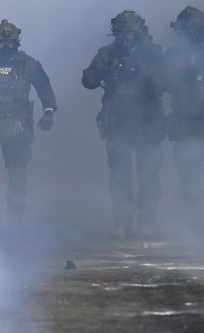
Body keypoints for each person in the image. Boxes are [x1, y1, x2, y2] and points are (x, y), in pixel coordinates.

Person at [82, 10, 165, 239]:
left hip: (147, 122)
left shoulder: (153, 53)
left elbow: (167, 82)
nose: (127, 38)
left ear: (139, 33)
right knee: (119, 176)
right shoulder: (107, 54)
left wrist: (146, 73)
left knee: (149, 174)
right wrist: (109, 71)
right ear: (115, 34)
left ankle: (147, 221)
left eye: (131, 33)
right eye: (122, 33)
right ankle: (122, 221)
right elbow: (88, 80)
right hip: (118, 123)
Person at [0, 19, 57, 224]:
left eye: (10, 41)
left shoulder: (29, 64)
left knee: (18, 171)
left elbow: (44, 87)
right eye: (2, 41)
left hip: (18, 123)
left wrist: (48, 112)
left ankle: (15, 220)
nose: (6, 45)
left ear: (17, 41)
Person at [165, 6, 204, 235]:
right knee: (188, 173)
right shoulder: (174, 55)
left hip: (191, 119)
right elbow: (163, 83)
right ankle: (194, 221)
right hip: (186, 121)